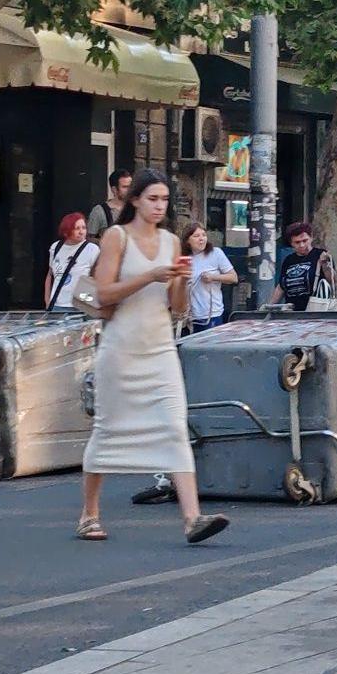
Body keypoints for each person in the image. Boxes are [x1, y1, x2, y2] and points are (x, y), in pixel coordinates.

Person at [77, 169, 228, 545]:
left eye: (164, 199)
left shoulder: (171, 242)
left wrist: (177, 279)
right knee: (107, 430)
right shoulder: (116, 237)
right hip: (121, 348)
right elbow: (105, 295)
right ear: (135, 201)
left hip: (160, 348)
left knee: (176, 427)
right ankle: (89, 513)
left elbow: (176, 308)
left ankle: (192, 519)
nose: (159, 206)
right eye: (152, 199)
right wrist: (151, 276)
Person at [181, 221, 237, 332]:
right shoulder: (184, 259)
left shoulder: (216, 253)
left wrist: (213, 277)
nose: (201, 239)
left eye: (204, 235)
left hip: (212, 314)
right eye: (196, 236)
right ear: (188, 241)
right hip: (189, 317)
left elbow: (233, 278)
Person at [270, 222, 333, 311]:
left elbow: (332, 280)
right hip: (291, 311)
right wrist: (269, 307)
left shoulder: (320, 254)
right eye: (297, 242)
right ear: (291, 243)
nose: (302, 245)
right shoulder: (289, 260)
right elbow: (281, 286)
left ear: (311, 238)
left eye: (305, 240)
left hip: (315, 310)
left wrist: (325, 265)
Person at [45, 212, 100, 310]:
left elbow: (97, 277)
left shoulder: (92, 249)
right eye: (77, 228)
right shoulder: (55, 247)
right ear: (66, 231)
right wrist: (47, 300)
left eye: (83, 228)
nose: (81, 231)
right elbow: (50, 275)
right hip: (57, 304)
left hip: (80, 304)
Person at [84, 169, 133, 240]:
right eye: (125, 187)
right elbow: (89, 239)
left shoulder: (137, 209)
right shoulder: (99, 211)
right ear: (114, 189)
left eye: (131, 186)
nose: (129, 190)